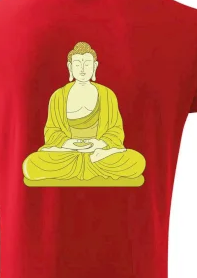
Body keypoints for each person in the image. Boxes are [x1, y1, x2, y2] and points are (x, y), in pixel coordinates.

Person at [22, 41, 146, 186]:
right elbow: (52, 131)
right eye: (77, 64)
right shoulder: (59, 96)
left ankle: (84, 166)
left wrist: (99, 143)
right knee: (32, 164)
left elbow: (115, 131)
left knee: (136, 161)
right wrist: (68, 143)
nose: (82, 69)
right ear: (70, 67)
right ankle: (86, 167)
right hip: (68, 154)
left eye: (87, 64)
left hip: (99, 154)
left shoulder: (107, 95)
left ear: (95, 66)